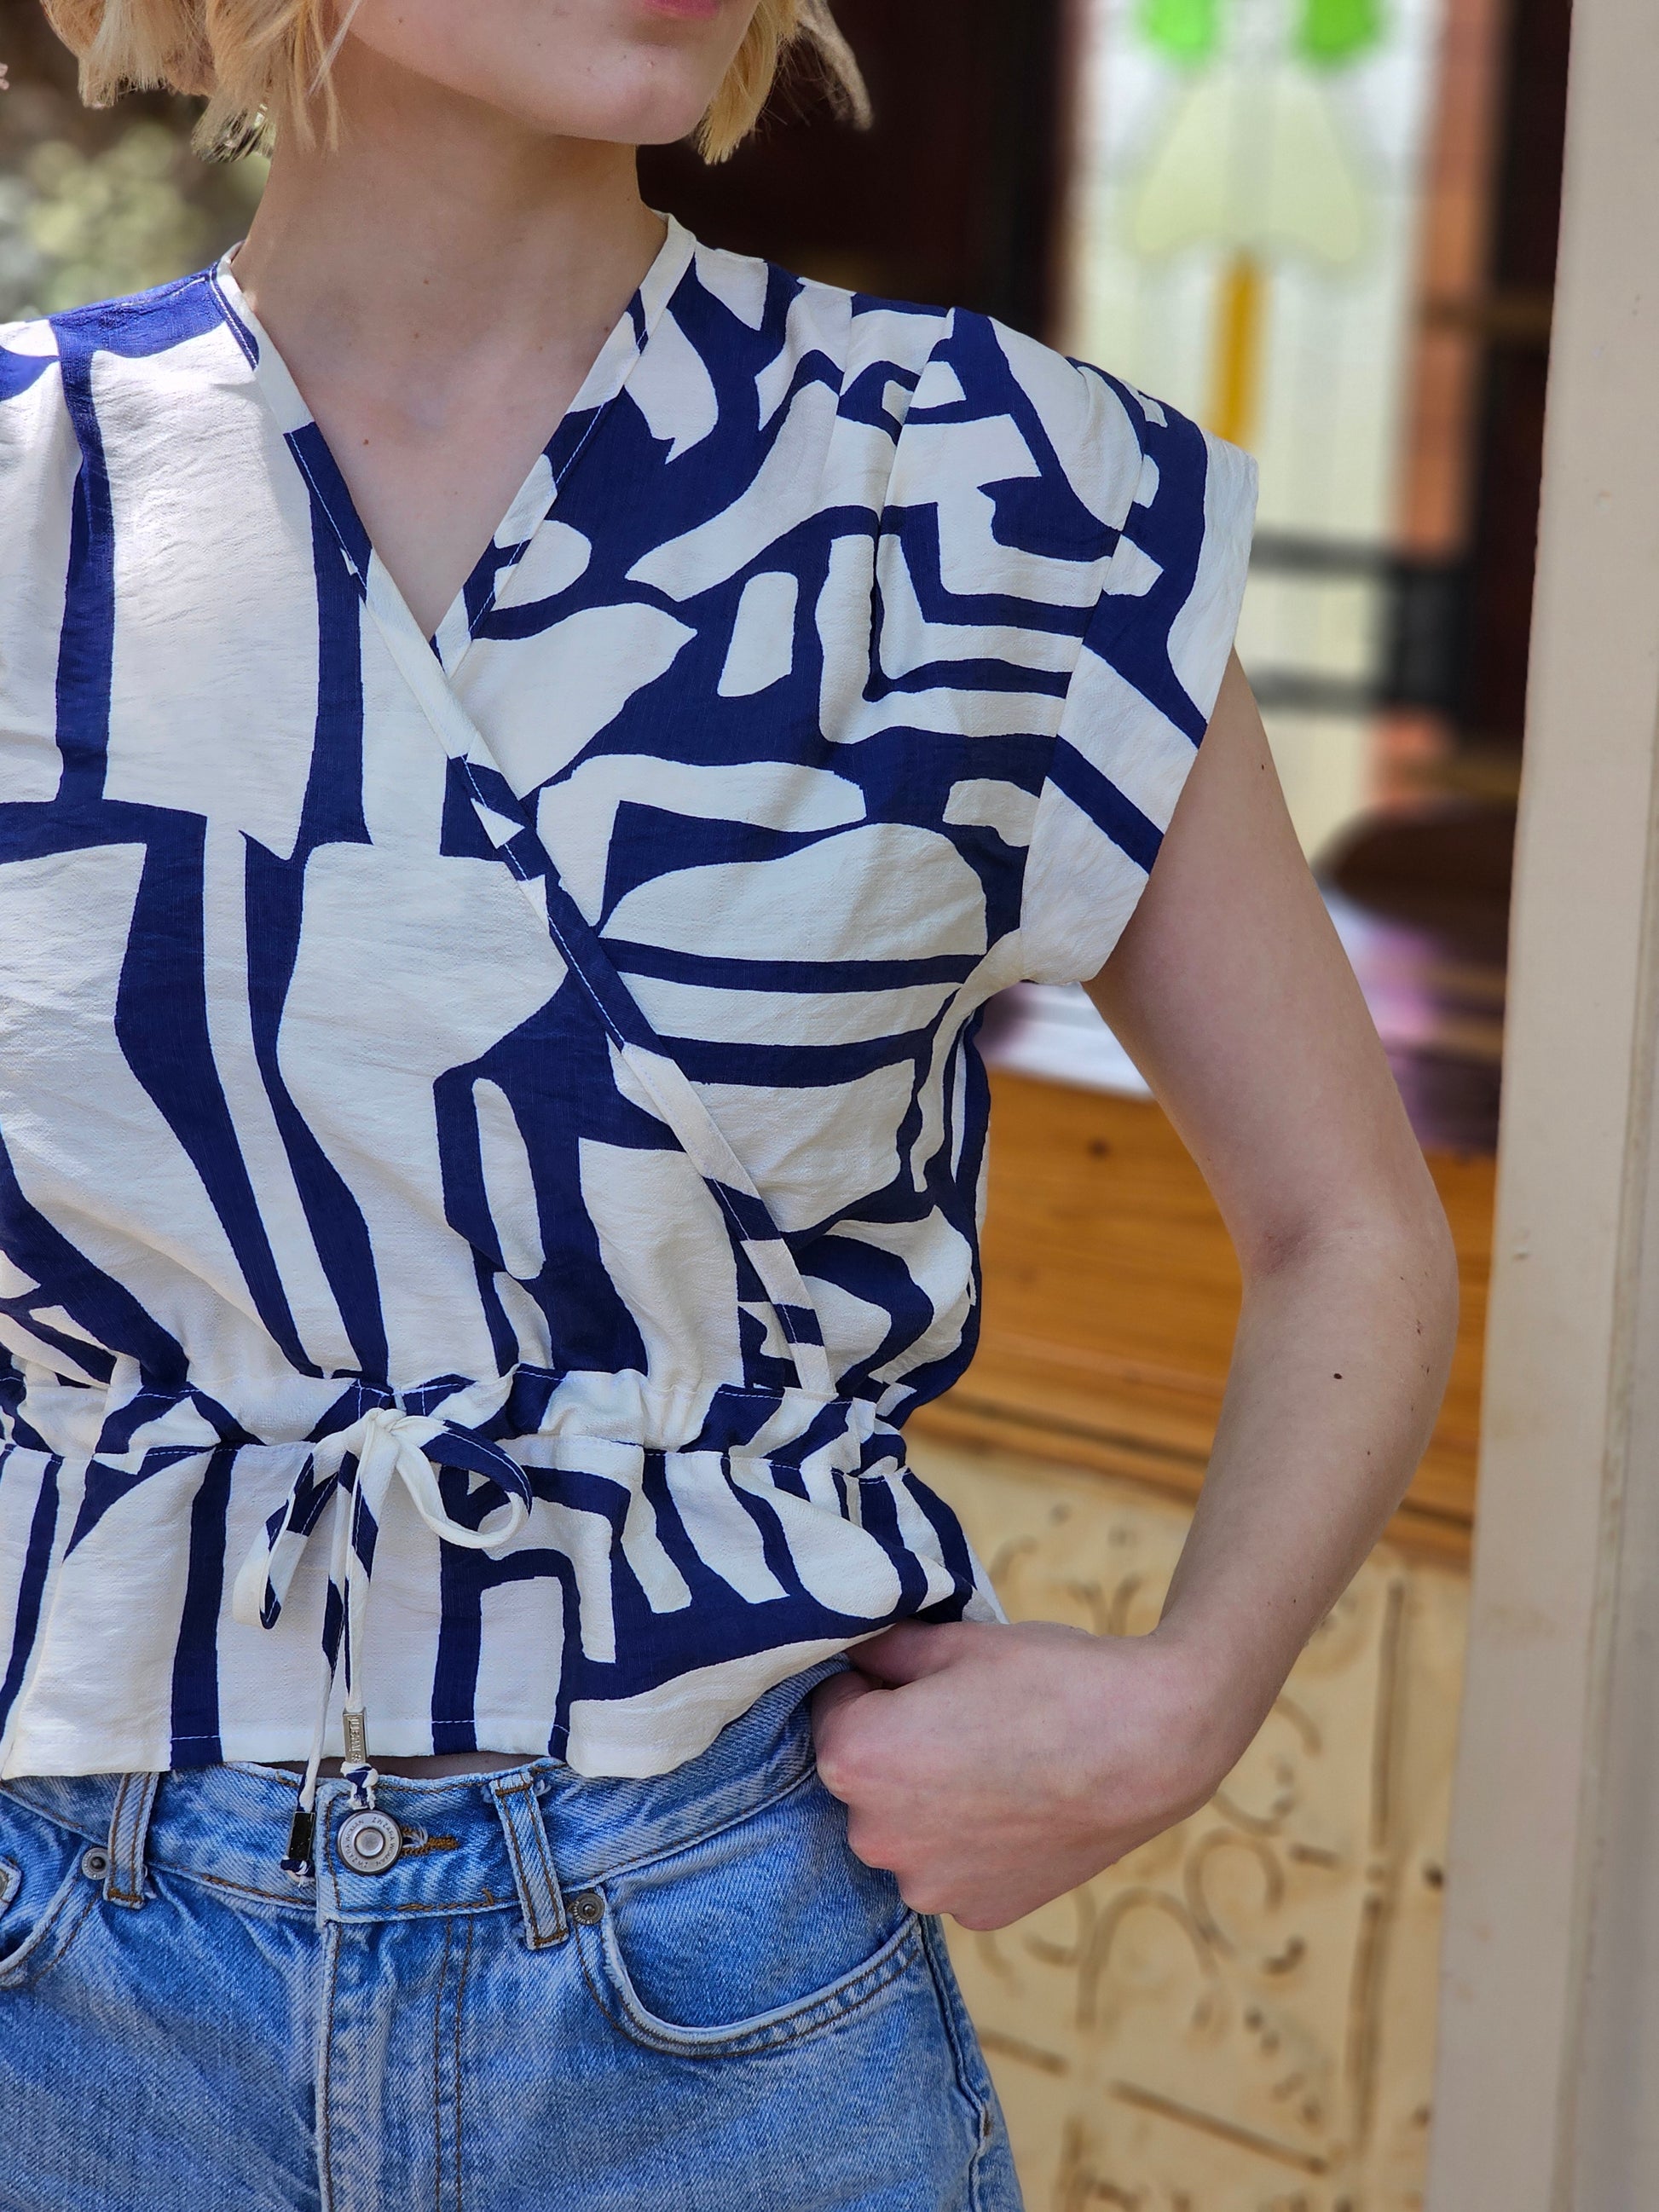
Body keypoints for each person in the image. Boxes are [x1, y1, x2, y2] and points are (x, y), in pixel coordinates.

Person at [0, 2, 1459, 2206]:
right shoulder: (33, 485)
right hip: (59, 1972)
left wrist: (1182, 1704)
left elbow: (1344, 1222)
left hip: (720, 1971)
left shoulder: (993, 494)